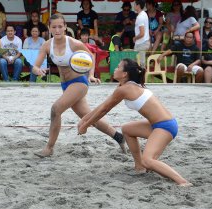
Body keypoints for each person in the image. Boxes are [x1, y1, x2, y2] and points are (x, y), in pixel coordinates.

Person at [78, 58, 192, 186]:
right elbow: (103, 105)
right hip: (159, 125)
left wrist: (86, 125)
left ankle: (182, 181)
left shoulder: (125, 89)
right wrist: (85, 118)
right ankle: (139, 167)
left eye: (118, 67)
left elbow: (104, 110)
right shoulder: (125, 86)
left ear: (125, 74)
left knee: (148, 160)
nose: (115, 69)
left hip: (165, 127)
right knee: (127, 129)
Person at [32, 14, 126, 157]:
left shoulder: (74, 43)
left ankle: (49, 148)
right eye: (54, 27)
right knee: (90, 118)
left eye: (60, 26)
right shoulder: (47, 45)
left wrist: (91, 75)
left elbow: (91, 57)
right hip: (65, 85)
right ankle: (119, 137)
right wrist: (38, 70)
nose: (57, 30)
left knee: (55, 110)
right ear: (49, 28)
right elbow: (35, 66)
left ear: (65, 27)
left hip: (78, 83)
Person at [133, 0, 150, 68]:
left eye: (134, 4)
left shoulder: (140, 17)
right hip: (143, 42)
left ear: (138, 6)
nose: (133, 6)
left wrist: (135, 38)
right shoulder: (144, 14)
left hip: (141, 43)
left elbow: (142, 33)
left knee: (141, 64)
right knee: (136, 62)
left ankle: (142, 78)